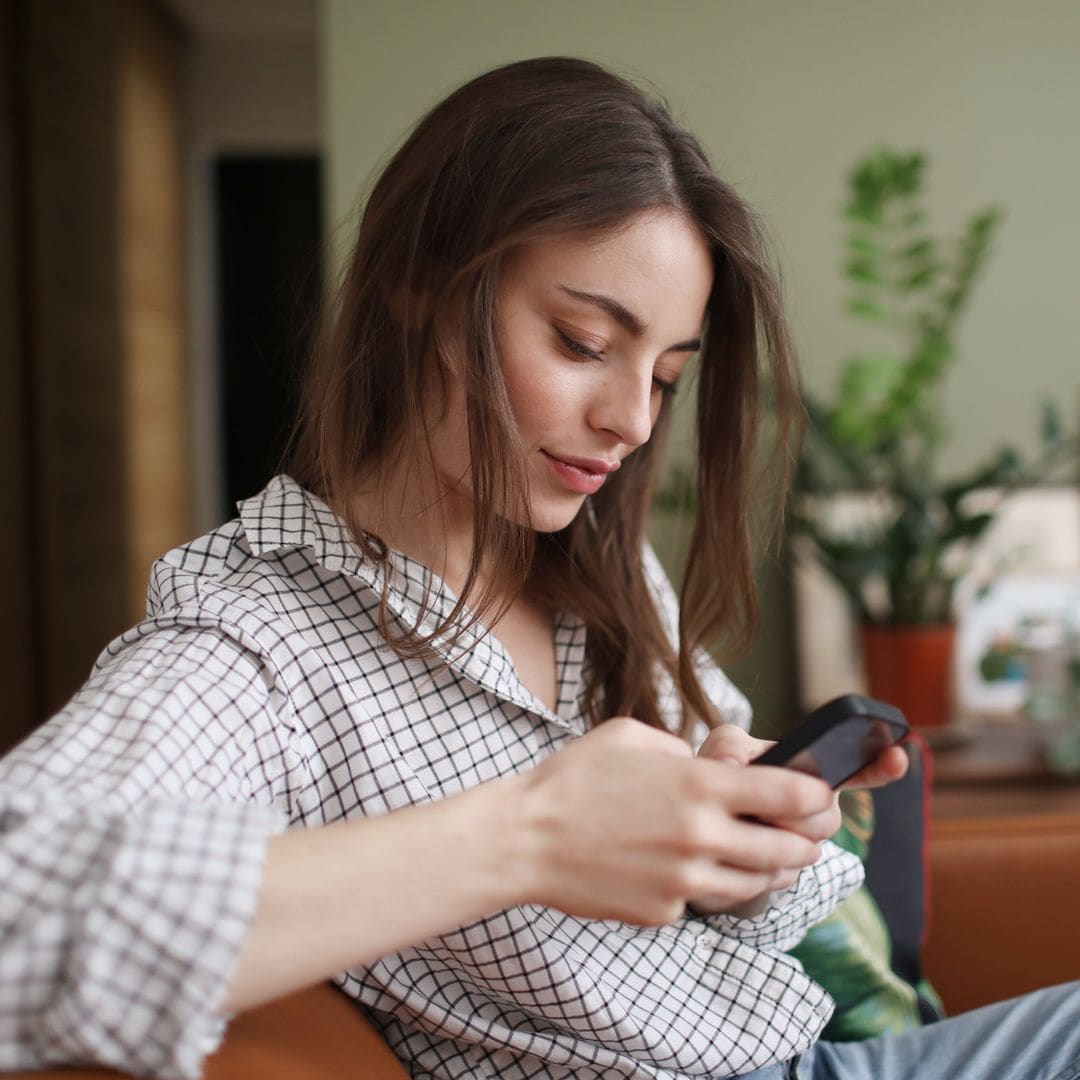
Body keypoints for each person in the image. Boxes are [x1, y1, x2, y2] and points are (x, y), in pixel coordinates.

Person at [0, 55, 1076, 1080]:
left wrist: (745, 840)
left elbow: (738, 922)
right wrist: (527, 836)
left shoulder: (599, 575)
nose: (628, 422)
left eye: (663, 375)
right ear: (423, 285)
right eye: (580, 342)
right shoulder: (256, 646)